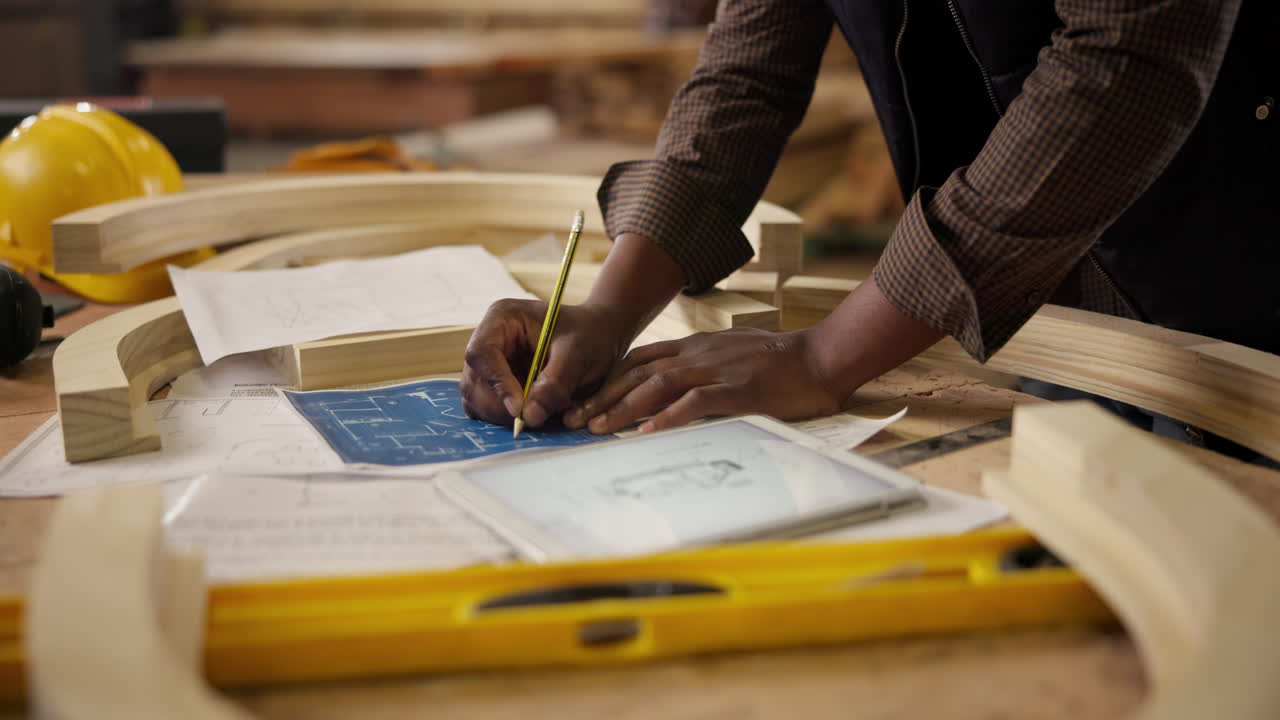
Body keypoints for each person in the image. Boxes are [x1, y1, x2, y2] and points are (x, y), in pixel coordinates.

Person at [461, 0, 1278, 457]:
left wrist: (826, 354)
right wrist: (608, 309)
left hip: (1235, 293)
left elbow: (1126, 67)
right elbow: (748, 71)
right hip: (1036, 311)